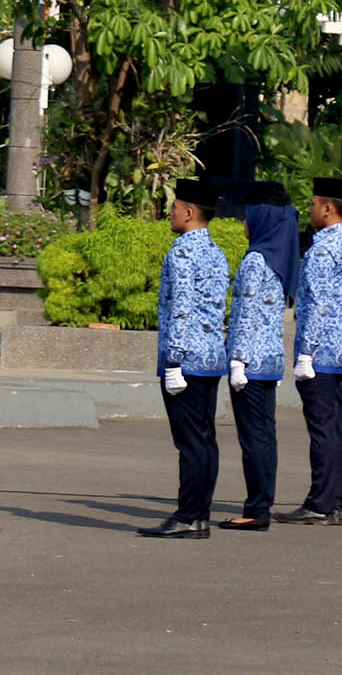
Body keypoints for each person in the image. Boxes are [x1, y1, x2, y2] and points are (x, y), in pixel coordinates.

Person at [139, 179, 230, 540]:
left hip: (186, 359)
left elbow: (181, 310)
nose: (170, 213)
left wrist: (173, 361)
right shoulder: (217, 252)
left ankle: (189, 515)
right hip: (210, 357)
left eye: (175, 208)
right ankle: (200, 513)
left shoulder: (181, 253)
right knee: (205, 439)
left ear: (190, 213)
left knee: (190, 442)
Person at [276, 176, 342, 526]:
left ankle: (321, 502)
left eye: (314, 204)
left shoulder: (322, 249)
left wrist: (305, 354)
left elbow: (316, 306)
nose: (309, 210)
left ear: (328, 208)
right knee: (340, 427)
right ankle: (335, 500)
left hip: (321, 354)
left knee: (323, 429)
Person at [218, 181, 300, 533]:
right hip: (268, 360)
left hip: (248, 362)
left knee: (253, 438)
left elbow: (245, 315)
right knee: (265, 435)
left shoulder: (255, 260)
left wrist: (236, 360)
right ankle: (261, 502)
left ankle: (256, 509)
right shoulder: (281, 257)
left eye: (247, 217)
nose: (243, 224)